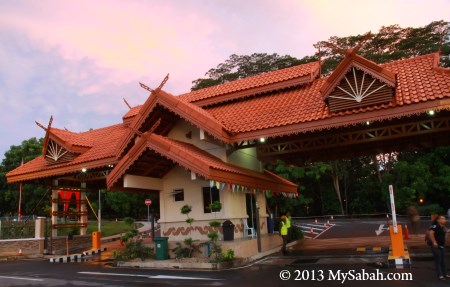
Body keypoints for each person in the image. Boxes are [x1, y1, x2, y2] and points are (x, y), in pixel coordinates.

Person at [428, 215, 450, 280]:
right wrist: (434, 242)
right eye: (442, 219)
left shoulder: (443, 227)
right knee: (438, 260)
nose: (444, 220)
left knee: (443, 260)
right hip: (435, 246)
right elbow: (430, 233)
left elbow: (445, 236)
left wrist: (447, 233)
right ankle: (440, 274)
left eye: (444, 219)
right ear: (438, 220)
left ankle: (445, 273)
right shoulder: (435, 226)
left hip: (442, 246)